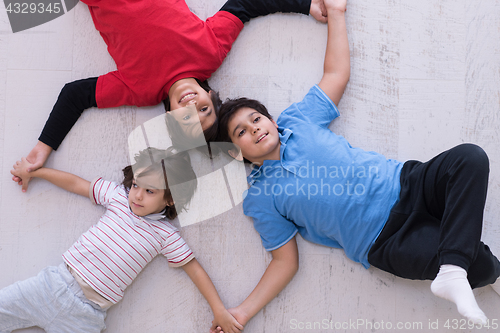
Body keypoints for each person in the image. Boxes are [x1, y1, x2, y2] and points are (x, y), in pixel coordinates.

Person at [213, 0, 500, 328]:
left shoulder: (298, 120)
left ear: (270, 119)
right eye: (242, 132)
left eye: (256, 118)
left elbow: (336, 73)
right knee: (479, 264)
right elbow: (284, 262)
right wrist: (243, 312)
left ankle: (451, 268)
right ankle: (463, 267)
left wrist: (336, 12)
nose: (255, 128)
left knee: (470, 157)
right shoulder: (260, 198)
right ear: (237, 152)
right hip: (386, 241)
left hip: (410, 184)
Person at [13, 0, 329, 191]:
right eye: (205, 111)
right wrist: (306, 5)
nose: (193, 106)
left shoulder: (139, 89)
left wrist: (43, 149)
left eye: (186, 118)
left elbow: (75, 95)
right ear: (211, 95)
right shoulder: (211, 52)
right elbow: (245, 4)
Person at [6, 147, 243, 333]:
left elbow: (195, 270)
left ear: (171, 198)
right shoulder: (118, 196)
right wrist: (36, 172)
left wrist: (219, 310)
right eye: (137, 185)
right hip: (51, 286)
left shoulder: (166, 235)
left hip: (87, 314)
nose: (137, 195)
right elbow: (77, 183)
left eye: (150, 191)